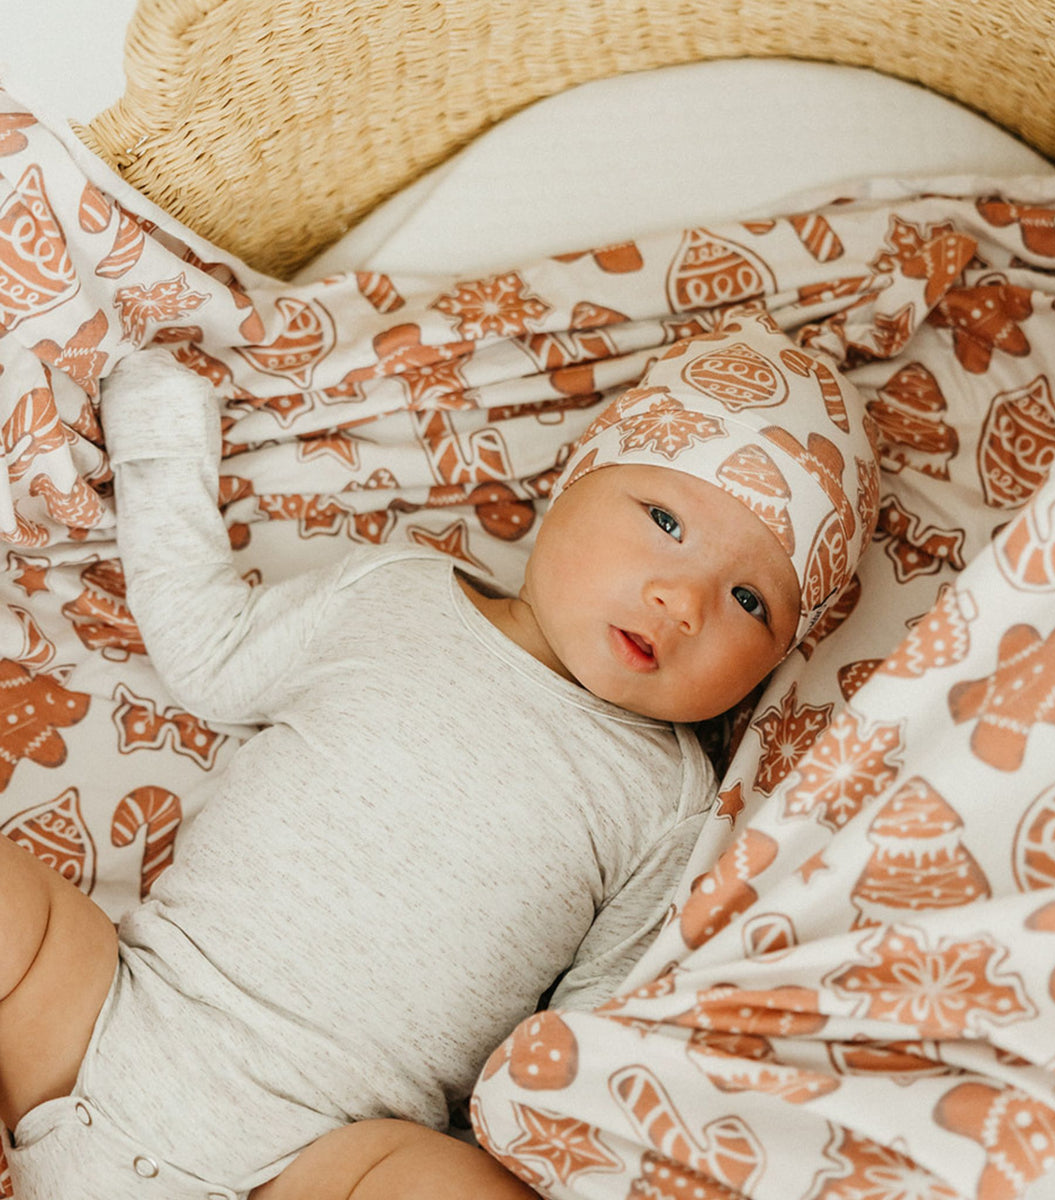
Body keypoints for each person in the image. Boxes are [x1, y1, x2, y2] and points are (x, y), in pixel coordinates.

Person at [0, 306, 878, 1199]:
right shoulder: (398, 591)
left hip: (323, 1161)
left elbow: (591, 1030)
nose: (683, 600)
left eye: (748, 599)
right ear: (576, 478)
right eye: (664, 517)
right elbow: (211, 652)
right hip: (104, 1028)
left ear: (773, 664)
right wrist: (156, 445)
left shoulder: (669, 798)